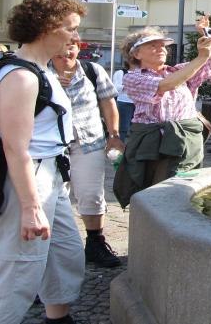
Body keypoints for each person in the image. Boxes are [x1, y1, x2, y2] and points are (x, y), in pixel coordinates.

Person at [0, 0, 86, 324]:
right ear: (47, 29)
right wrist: (30, 206)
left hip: (49, 173)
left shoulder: (41, 70)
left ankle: (58, 317)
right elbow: (15, 148)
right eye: (70, 29)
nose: (75, 37)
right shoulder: (21, 77)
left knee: (63, 254)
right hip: (26, 178)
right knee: (16, 270)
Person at [113, 18, 211, 207]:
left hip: (184, 141)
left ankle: (183, 225)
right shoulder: (132, 78)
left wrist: (207, 32)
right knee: (152, 190)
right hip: (151, 145)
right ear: (136, 53)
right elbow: (166, 85)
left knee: (184, 186)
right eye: (152, 45)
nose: (161, 49)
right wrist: (201, 57)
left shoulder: (180, 70)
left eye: (163, 46)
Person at [50, 41, 124, 268]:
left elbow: (108, 102)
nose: (67, 50)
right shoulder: (39, 71)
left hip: (89, 142)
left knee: (91, 194)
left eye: (72, 45)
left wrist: (114, 134)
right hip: (52, 146)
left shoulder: (92, 70)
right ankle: (53, 248)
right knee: (53, 197)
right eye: (62, 45)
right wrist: (50, 87)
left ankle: (95, 243)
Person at [110, 63, 136, 140]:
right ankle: (119, 147)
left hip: (139, 103)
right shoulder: (120, 72)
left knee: (137, 128)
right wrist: (126, 85)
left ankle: (133, 148)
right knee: (122, 127)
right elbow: (114, 89)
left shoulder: (144, 73)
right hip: (124, 103)